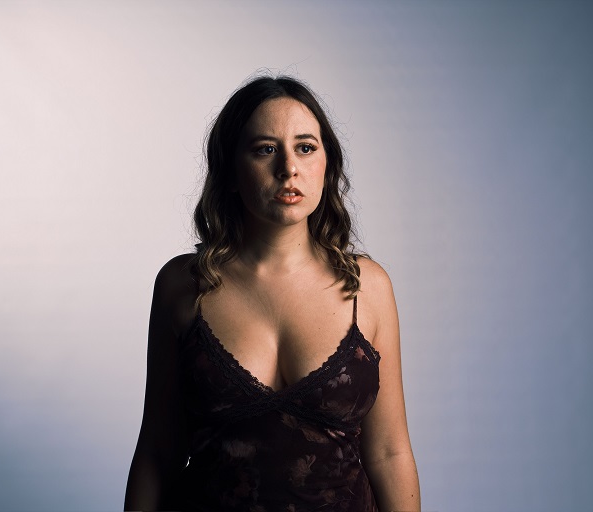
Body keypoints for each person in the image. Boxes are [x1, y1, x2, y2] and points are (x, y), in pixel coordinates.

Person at [124, 76, 420, 511]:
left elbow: (390, 452)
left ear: (326, 166)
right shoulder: (182, 286)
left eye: (305, 148)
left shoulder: (368, 287)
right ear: (230, 171)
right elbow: (158, 452)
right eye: (265, 149)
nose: (288, 169)